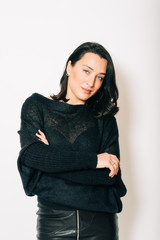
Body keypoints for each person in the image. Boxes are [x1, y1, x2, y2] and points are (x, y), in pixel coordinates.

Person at [17, 42, 127, 240]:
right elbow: (32, 156)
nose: (91, 82)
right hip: (54, 225)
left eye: (99, 77)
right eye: (86, 71)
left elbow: (108, 177)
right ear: (70, 67)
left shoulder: (104, 118)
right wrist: (94, 161)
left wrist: (53, 160)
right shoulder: (37, 106)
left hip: (101, 226)